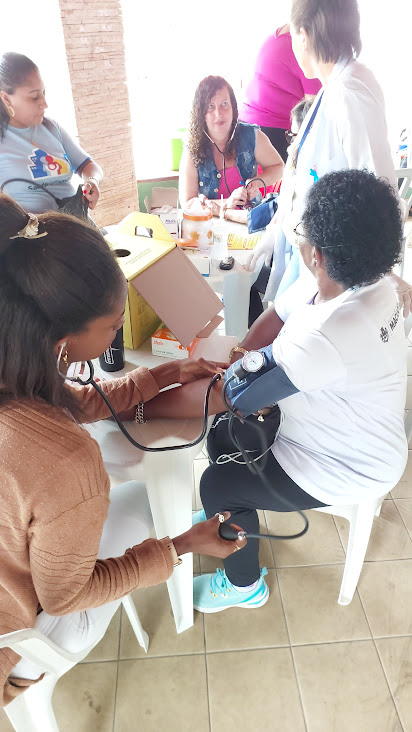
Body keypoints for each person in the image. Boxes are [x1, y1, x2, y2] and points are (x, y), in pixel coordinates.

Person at [0, 195, 246, 706]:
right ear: (63, 341)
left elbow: (73, 401)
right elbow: (66, 596)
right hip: (19, 636)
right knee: (137, 502)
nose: (119, 332)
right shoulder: (65, 462)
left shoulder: (15, 361)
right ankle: (25, 680)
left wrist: (166, 373)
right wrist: (181, 546)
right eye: (115, 326)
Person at [144, 170, 408, 612]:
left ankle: (245, 584)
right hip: (338, 427)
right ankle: (230, 516)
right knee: (222, 437)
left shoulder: (327, 336)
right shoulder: (361, 278)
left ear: (315, 254)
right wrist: (241, 355)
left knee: (218, 482)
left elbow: (224, 396)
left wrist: (137, 406)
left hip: (348, 463)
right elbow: (279, 314)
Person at [245, 0, 407, 305]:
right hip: (312, 253)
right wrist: (276, 229)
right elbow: (304, 174)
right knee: (277, 320)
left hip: (337, 267)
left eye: (292, 37)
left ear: (303, 37)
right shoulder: (331, 88)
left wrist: (383, 273)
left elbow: (378, 187)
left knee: (288, 328)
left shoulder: (351, 94)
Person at [0, 52, 102, 214]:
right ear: (6, 98)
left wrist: (92, 181)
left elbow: (87, 165)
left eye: (44, 93)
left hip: (77, 222)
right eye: (34, 97)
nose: (44, 104)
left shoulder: (51, 127)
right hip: (32, 229)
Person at [179, 75, 284, 217]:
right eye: (210, 106)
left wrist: (257, 182)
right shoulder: (192, 148)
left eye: (224, 104)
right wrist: (226, 204)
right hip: (211, 225)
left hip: (250, 221)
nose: (218, 114)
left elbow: (278, 167)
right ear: (201, 113)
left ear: (233, 107)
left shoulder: (252, 135)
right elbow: (188, 203)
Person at [239, 24, 321, 162]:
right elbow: (313, 110)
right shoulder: (303, 47)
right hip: (270, 132)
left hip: (245, 124)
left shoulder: (277, 37)